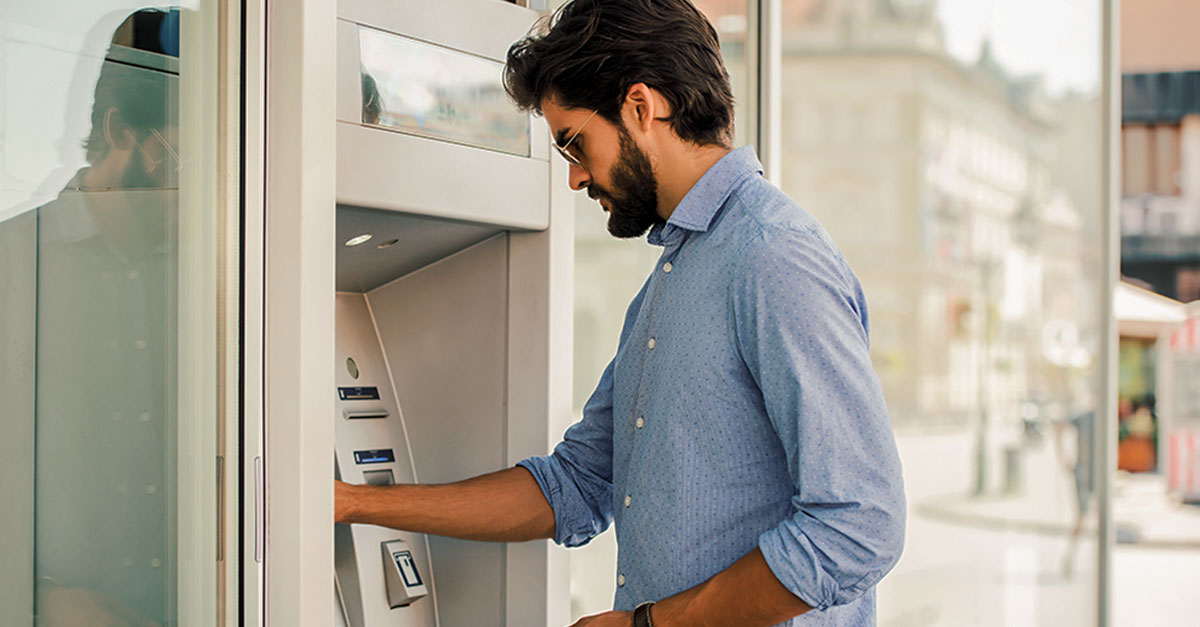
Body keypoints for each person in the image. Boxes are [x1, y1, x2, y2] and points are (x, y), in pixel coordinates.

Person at [335, 1, 906, 625]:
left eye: (575, 143)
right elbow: (576, 485)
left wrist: (651, 624)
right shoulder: (676, 275)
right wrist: (350, 504)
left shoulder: (773, 257)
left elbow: (860, 526)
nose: (577, 178)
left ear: (641, 107)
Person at [2, 8, 179, 626]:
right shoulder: (11, 264)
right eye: (183, 156)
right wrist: (35, 595)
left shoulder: (218, 278)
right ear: (120, 130)